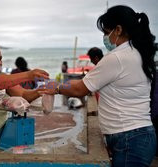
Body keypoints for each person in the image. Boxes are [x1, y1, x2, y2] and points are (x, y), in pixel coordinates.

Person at [47, 5, 157, 166]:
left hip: (130, 138)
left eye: (106, 32)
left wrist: (56, 87)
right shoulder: (137, 52)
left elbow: (79, 89)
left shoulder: (117, 57)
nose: (105, 38)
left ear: (118, 30)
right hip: (135, 136)